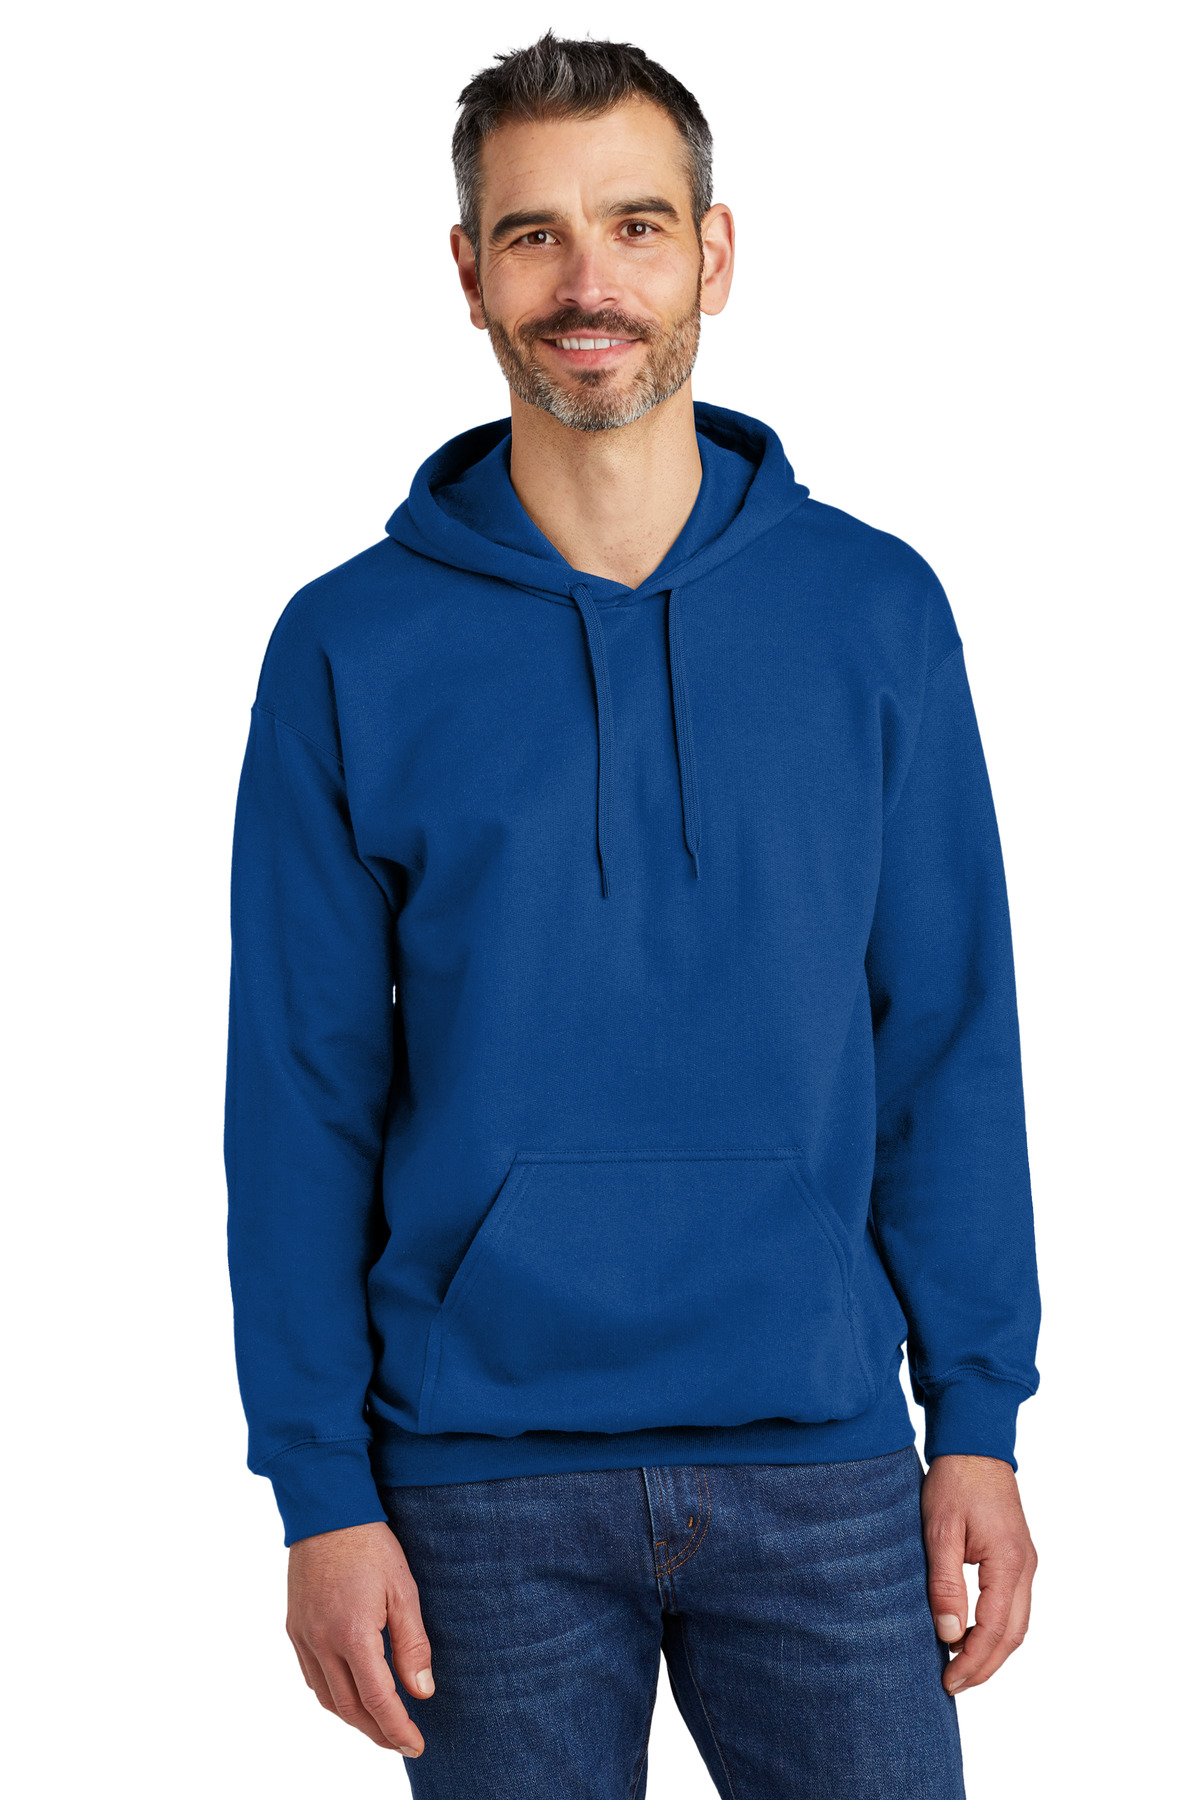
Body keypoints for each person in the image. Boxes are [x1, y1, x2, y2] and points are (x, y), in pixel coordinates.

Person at [224, 32, 1040, 1799]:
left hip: (825, 1459)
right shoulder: (348, 646)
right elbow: (297, 1096)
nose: (587, 283)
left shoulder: (874, 612)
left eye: (637, 226)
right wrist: (318, 1491)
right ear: (469, 273)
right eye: (534, 235)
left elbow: (949, 1037)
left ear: (713, 255)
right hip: (474, 1484)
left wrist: (978, 1417)